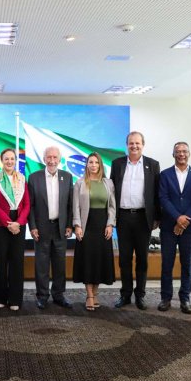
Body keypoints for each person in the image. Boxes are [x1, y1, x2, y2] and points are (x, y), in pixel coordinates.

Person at [110, 131, 160, 310]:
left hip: (143, 218)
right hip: (123, 217)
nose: (134, 146)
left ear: (143, 145)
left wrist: (157, 217)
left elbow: (157, 193)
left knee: (142, 259)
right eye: (131, 143)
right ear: (127, 145)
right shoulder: (117, 164)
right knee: (124, 259)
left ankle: (140, 295)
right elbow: (111, 191)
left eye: (137, 143)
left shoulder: (152, 165)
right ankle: (125, 295)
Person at [158, 142, 191, 314]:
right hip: (168, 226)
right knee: (167, 264)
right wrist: (177, 218)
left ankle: (185, 298)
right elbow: (163, 198)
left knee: (187, 264)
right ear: (173, 154)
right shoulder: (165, 175)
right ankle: (166, 298)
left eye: (184, 151)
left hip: (190, 228)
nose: (181, 154)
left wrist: (184, 221)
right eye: (178, 151)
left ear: (189, 154)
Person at [28, 146, 74, 310]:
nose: (52, 160)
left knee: (59, 264)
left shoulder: (67, 177)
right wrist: (32, 226)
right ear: (44, 159)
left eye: (55, 157)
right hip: (41, 228)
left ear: (59, 159)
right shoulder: (34, 178)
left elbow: (70, 204)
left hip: (60, 228)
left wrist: (69, 225)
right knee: (41, 265)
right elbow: (30, 206)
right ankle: (42, 296)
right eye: (49, 157)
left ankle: (59, 295)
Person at [72, 152, 116, 310]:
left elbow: (112, 206)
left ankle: (95, 294)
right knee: (88, 261)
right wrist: (77, 225)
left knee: (99, 261)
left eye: (96, 162)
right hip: (86, 226)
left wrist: (110, 224)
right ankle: (89, 296)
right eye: (90, 162)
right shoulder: (80, 183)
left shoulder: (108, 183)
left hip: (103, 226)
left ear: (100, 165)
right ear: (87, 165)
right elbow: (75, 206)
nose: (93, 165)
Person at [0, 148, 30, 311]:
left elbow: (27, 204)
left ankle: (15, 299)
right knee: (1, 262)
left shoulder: (22, 178)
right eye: (6, 159)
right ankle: (0, 297)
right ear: (2, 160)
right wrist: (8, 223)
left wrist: (18, 223)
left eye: (12, 159)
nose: (9, 161)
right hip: (1, 225)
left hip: (19, 225)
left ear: (15, 161)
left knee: (17, 262)